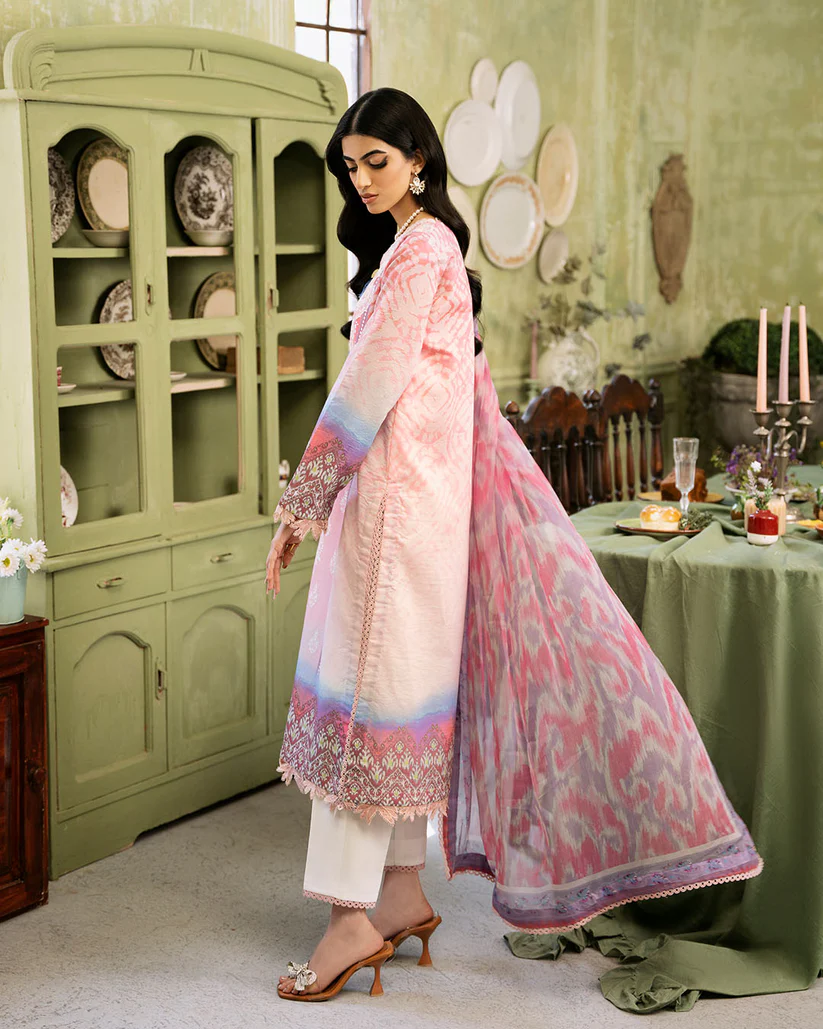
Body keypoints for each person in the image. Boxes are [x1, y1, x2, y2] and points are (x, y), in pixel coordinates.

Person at [266, 88, 763, 1003]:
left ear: (418, 160)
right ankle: (402, 895)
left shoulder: (419, 254)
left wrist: (301, 503)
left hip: (394, 521)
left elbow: (368, 386)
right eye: (351, 166)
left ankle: (345, 922)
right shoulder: (431, 251)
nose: (362, 179)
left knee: (359, 716)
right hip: (425, 516)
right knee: (401, 710)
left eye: (377, 161)